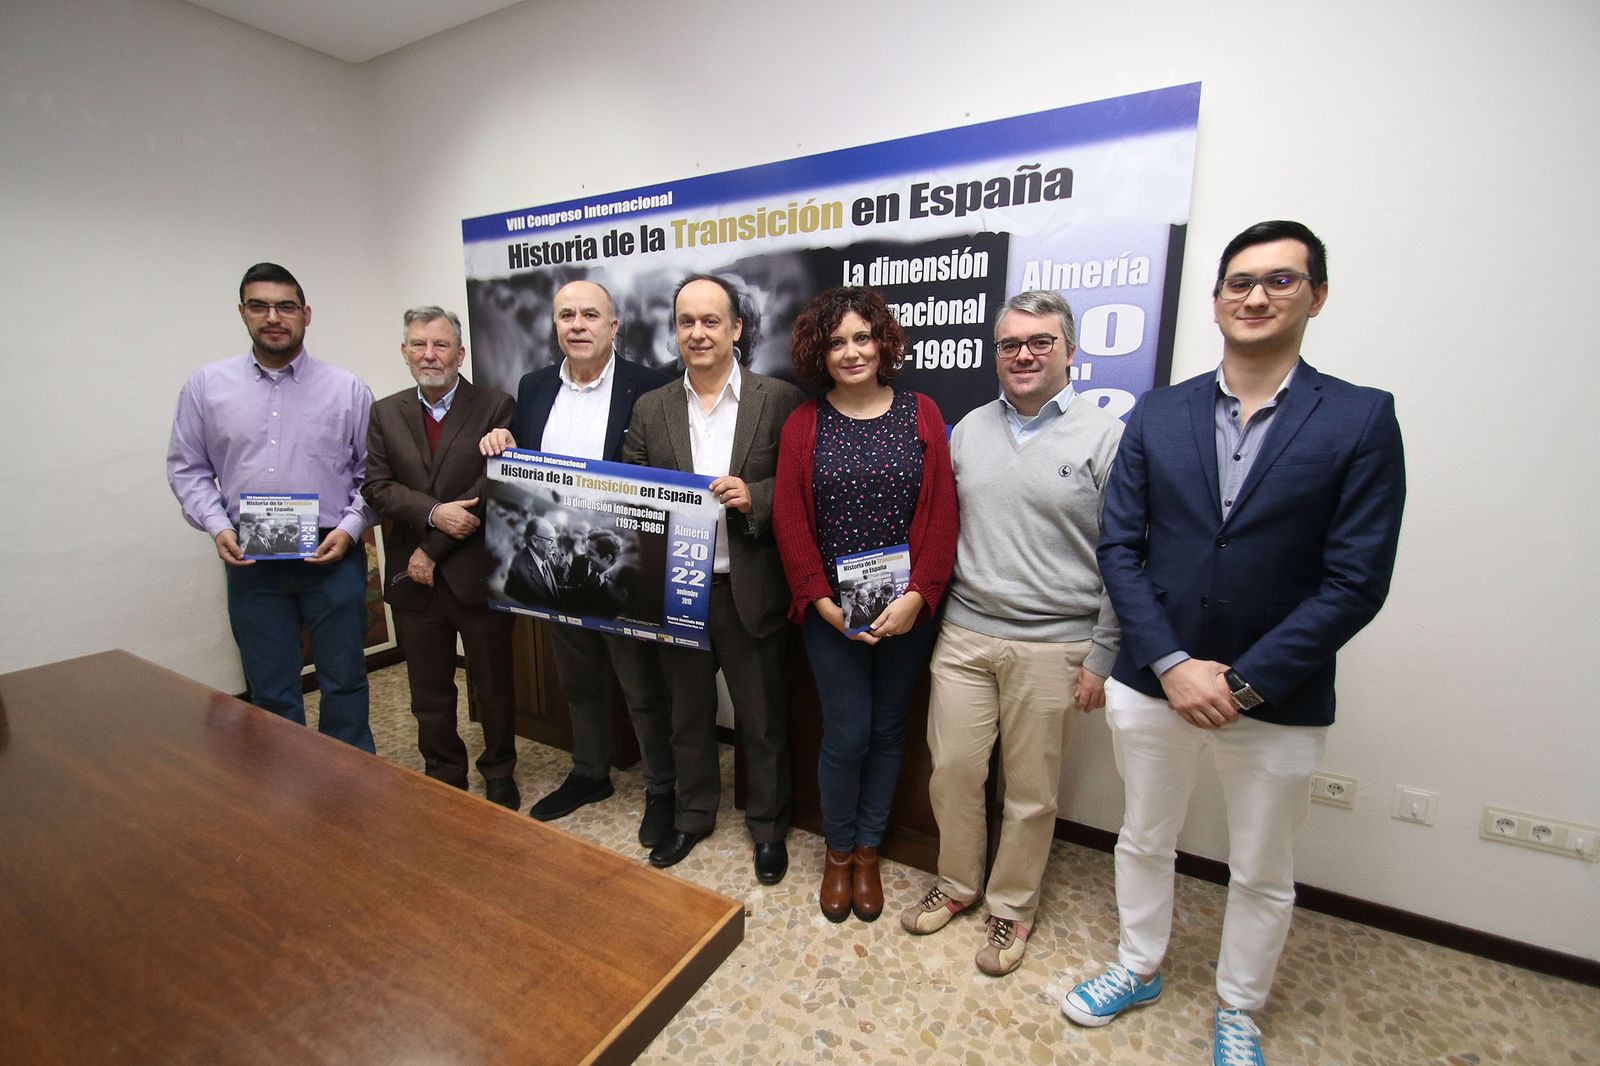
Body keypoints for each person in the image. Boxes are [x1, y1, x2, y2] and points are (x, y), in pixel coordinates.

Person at [1061, 221, 1406, 1066]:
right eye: (1239, 282)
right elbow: (1121, 549)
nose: (1256, 297)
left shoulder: (1360, 419)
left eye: (1281, 281)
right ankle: (1139, 966)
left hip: (1277, 695)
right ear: (1216, 301)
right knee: (1144, 836)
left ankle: (1239, 1008)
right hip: (1154, 679)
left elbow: (1355, 580)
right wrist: (1175, 667)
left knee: (1261, 867)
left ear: (1315, 297)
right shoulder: (1160, 411)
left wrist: (1243, 683)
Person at [898, 290, 1123, 976]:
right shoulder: (966, 430)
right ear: (995, 354)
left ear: (1070, 352)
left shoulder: (1106, 437)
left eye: (1040, 342)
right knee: (955, 774)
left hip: (1056, 645)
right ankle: (959, 884)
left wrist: (1103, 656)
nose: (1023, 355)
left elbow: (1125, 554)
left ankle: (1012, 909)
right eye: (1010, 344)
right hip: (965, 634)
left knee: (1029, 791)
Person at [773, 286, 957, 923]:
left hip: (907, 612)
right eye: (835, 342)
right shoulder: (805, 423)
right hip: (832, 616)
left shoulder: (922, 412)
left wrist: (917, 597)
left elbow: (941, 516)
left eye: (861, 337)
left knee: (886, 732)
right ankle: (839, 851)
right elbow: (790, 518)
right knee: (845, 735)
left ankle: (871, 850)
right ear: (818, 354)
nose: (850, 352)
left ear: (882, 343)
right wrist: (820, 601)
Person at [479, 280, 679, 845]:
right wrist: (503, 441)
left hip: (620, 567)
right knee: (579, 680)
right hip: (554, 566)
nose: (578, 324)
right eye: (566, 315)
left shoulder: (650, 386)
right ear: (555, 325)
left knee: (641, 686)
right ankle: (590, 772)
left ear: (614, 327)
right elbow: (524, 465)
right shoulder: (534, 386)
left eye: (591, 314)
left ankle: (662, 787)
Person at [623, 273, 804, 883]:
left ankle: (768, 830)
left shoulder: (777, 399)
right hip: (677, 594)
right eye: (686, 323)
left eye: (709, 321)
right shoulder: (651, 407)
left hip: (748, 591)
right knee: (686, 718)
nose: (697, 333)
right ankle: (693, 816)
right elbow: (630, 494)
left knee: (763, 722)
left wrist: (753, 497)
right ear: (675, 332)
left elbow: (801, 486)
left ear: (736, 329)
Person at [167, 263, 375, 751]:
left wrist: (349, 528)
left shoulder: (347, 389)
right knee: (271, 690)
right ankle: (283, 796)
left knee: (344, 682)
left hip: (332, 556)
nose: (273, 317)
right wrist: (217, 525)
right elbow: (187, 468)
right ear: (243, 313)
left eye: (285, 307)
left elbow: (374, 475)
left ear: (305, 315)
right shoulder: (206, 387)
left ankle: (353, 792)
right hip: (251, 559)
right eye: (259, 306)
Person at [362, 306, 521, 809]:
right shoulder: (385, 413)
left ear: (460, 352)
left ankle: (499, 771)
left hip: (475, 573)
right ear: (405, 352)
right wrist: (433, 514)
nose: (430, 355)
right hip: (414, 581)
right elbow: (377, 487)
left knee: (493, 686)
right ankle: (444, 772)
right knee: (427, 690)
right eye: (419, 345)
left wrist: (432, 548)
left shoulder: (495, 405)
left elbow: (493, 484)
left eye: (441, 344)